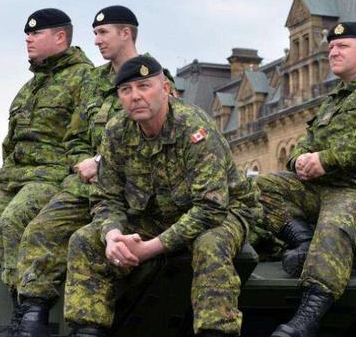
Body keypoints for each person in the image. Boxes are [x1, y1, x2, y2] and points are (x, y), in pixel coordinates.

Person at [62, 56, 261, 337]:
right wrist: (113, 237)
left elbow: (210, 208)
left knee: (210, 244)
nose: (136, 96)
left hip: (224, 211)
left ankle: (216, 330)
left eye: (144, 86)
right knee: (84, 239)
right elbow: (106, 198)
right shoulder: (117, 131)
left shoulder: (193, 128)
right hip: (154, 215)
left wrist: (150, 248)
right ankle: (87, 331)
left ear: (165, 88)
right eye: (126, 90)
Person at [13, 6, 178, 336]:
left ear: (126, 34)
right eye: (94, 33)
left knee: (85, 243)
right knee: (40, 229)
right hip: (86, 182)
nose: (96, 40)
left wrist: (102, 162)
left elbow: (163, 135)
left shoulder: (154, 78)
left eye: (103, 33)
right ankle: (30, 321)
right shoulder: (93, 81)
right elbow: (74, 135)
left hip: (133, 185)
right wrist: (83, 163)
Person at [255, 22, 356, 337]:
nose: (333, 52)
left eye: (342, 46)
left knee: (337, 221)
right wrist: (299, 160)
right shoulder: (336, 98)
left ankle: (308, 316)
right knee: (262, 188)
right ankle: (303, 243)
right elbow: (308, 141)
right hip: (325, 188)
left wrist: (325, 160)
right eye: (331, 47)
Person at [0, 8, 92, 336]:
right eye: (27, 34)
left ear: (60, 37)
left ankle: (24, 316)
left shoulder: (85, 79)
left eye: (36, 33)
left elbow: (88, 135)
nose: (28, 38)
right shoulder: (30, 87)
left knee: (14, 220)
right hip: (15, 175)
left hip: (52, 175)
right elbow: (12, 142)